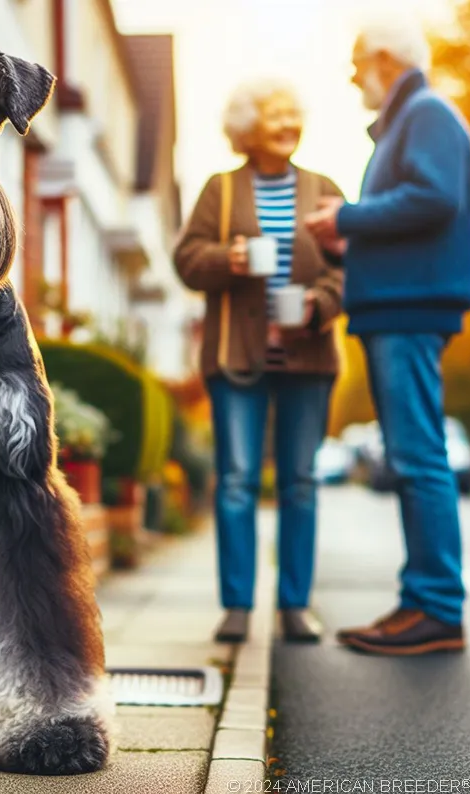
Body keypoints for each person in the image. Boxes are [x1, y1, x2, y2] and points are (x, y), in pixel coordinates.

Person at [306, 19, 470, 655]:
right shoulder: (416, 119)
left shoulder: (426, 113)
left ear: (384, 60)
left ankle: (435, 607)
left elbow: (434, 198)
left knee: (418, 456)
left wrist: (345, 218)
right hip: (398, 307)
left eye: (357, 64)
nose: (354, 77)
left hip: (409, 311)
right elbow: (417, 214)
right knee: (411, 456)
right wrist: (354, 243)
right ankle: (421, 602)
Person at [174, 79, 344, 644]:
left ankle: (295, 605)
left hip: (308, 357)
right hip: (236, 358)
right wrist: (232, 257)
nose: (288, 124)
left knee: (299, 482)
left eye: (294, 115)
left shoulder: (324, 190)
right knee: (238, 480)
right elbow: (187, 260)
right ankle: (238, 606)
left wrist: (319, 303)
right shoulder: (220, 192)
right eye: (276, 115)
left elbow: (345, 267)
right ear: (249, 127)